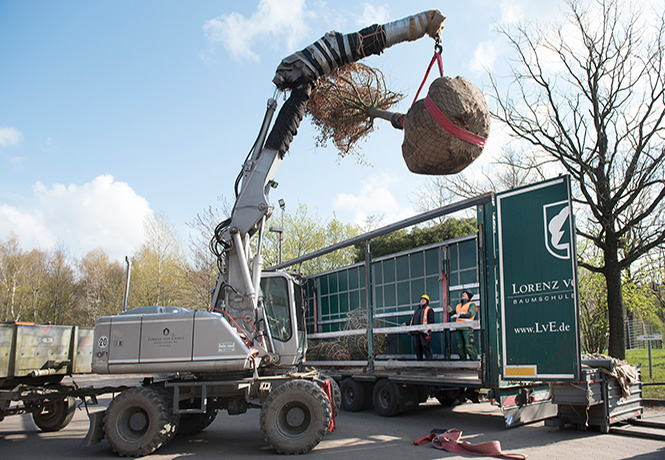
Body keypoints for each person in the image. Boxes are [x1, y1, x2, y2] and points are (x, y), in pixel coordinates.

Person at [451, 290, 477, 361]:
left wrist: (459, 315)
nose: (463, 295)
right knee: (460, 347)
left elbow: (470, 314)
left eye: (464, 294)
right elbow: (455, 314)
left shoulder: (471, 305)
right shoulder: (458, 306)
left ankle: (474, 363)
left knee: (469, 346)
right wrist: (451, 312)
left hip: (467, 328)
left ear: (468, 296)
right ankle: (463, 363)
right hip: (459, 328)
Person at [409, 294, 435, 360]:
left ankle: (430, 362)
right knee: (418, 347)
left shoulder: (429, 309)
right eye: (421, 299)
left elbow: (431, 321)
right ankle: (420, 362)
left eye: (424, 299)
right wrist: (406, 324)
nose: (422, 300)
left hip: (424, 332)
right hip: (416, 332)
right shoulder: (416, 310)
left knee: (425, 346)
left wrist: (428, 329)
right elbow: (413, 320)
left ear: (427, 301)